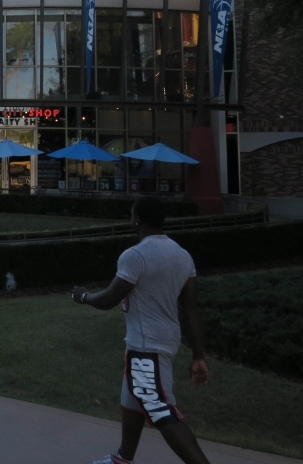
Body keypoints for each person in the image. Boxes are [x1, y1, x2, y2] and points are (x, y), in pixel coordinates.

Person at [72, 197, 211, 464]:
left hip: (148, 346)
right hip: (161, 342)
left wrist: (83, 296)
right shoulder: (182, 255)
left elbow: (109, 299)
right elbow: (191, 309)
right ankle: (122, 459)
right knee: (133, 399)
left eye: (132, 214)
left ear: (137, 220)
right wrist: (198, 356)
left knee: (160, 410)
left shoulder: (135, 256)